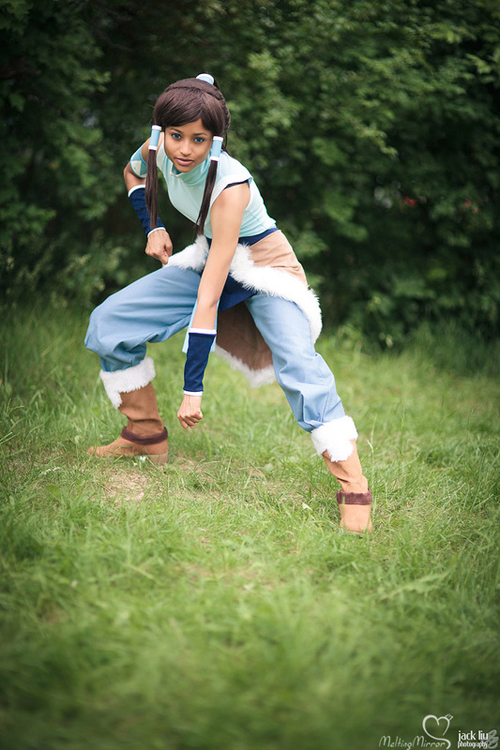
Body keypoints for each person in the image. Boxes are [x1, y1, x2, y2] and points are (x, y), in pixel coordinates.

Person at [85, 74, 373, 534]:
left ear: (214, 141)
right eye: (176, 136)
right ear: (161, 130)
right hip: (210, 253)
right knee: (108, 323)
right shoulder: (157, 147)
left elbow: (209, 296)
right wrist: (152, 226)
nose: (185, 149)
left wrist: (192, 390)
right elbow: (134, 174)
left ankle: (353, 484)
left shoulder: (230, 187)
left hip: (263, 270)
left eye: (198, 139)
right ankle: (143, 434)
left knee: (299, 364)